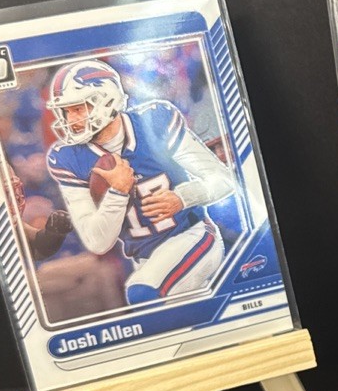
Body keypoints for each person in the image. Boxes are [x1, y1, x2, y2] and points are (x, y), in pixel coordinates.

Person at [45, 57, 236, 302]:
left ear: (105, 99)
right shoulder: (67, 158)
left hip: (191, 237)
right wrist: (118, 192)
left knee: (143, 294)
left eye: (78, 108)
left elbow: (223, 179)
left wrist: (182, 198)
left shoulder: (153, 123)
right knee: (176, 315)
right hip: (144, 259)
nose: (71, 120)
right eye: (66, 111)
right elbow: (97, 242)